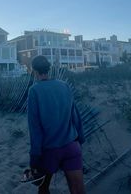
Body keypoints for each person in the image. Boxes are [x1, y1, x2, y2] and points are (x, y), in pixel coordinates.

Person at [27, 55, 86, 194]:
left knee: (43, 188)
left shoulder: (34, 91)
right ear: (49, 69)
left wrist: (35, 156)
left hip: (49, 150)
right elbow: (75, 116)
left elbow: (35, 128)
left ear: (34, 71)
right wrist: (81, 139)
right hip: (71, 146)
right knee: (78, 190)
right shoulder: (64, 86)